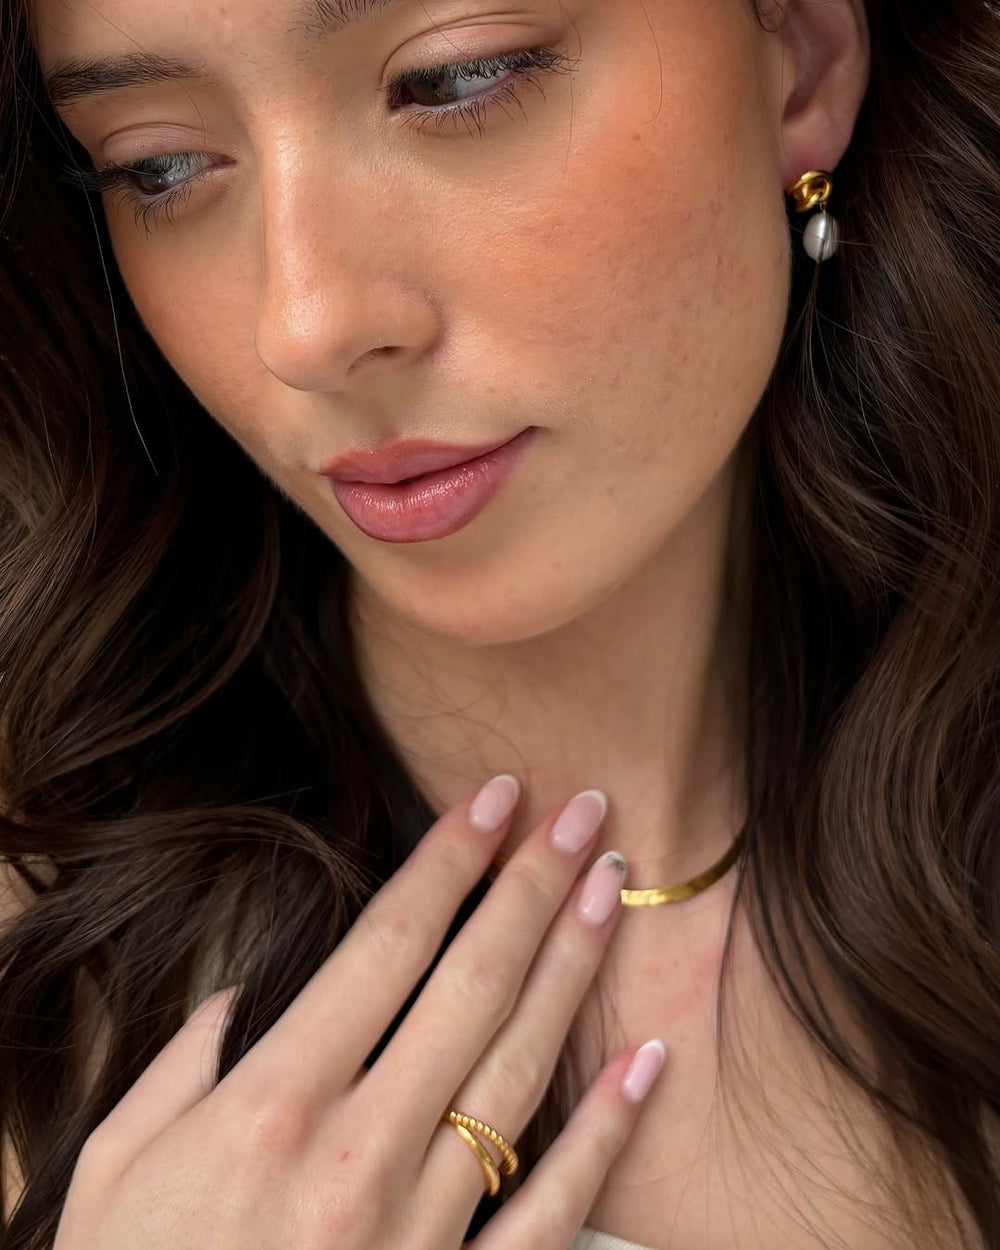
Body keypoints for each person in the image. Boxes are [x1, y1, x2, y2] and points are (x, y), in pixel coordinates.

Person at [0, 0, 996, 1245]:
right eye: (156, 165)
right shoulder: (38, 960)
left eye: (452, 81)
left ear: (800, 58)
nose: (304, 324)